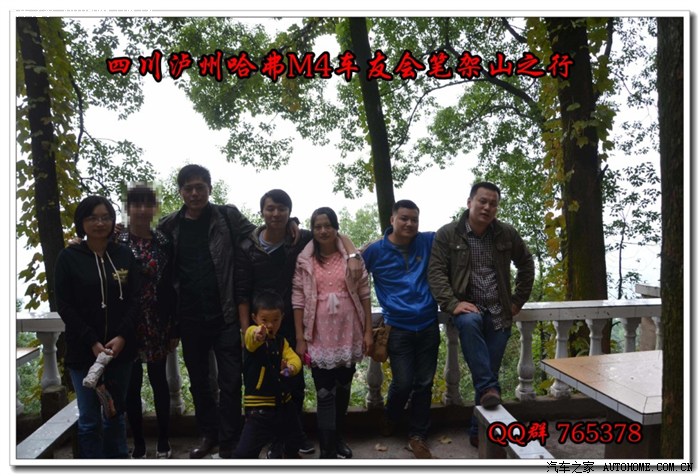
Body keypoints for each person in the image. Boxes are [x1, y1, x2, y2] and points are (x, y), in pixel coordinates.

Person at [235, 189, 363, 458]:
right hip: (261, 326)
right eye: (270, 208)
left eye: (282, 209)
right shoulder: (248, 246)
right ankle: (273, 440)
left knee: (293, 382)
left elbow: (334, 233)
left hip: (290, 323)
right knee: (262, 383)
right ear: (262, 211)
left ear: (290, 212)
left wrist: (352, 255)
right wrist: (247, 330)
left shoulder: (300, 239)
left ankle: (292, 438)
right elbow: (242, 291)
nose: (276, 213)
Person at [158, 164, 268, 459]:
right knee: (200, 383)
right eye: (189, 188)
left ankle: (230, 440)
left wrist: (293, 226)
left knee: (230, 382)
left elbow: (260, 237)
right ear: (180, 192)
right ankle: (208, 435)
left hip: (226, 315)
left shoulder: (227, 216)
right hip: (189, 318)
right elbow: (143, 250)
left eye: (200, 187)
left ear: (209, 188)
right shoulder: (170, 226)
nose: (195, 193)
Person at [427, 181, 534, 448]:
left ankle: (478, 430)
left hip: (499, 311)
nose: (487, 207)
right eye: (482, 201)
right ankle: (483, 424)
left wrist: (517, 301)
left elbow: (526, 263)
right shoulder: (448, 234)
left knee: (487, 373)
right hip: (468, 310)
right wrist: (452, 303)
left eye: (493, 203)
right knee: (486, 372)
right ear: (470, 202)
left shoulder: (506, 234)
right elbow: (436, 272)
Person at [55, 195, 140, 458]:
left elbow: (136, 300)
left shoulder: (124, 255)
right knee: (89, 420)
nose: (99, 223)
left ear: (113, 221)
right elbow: (64, 305)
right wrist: (92, 340)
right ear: (82, 222)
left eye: (105, 217)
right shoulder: (68, 258)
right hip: (83, 351)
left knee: (115, 415)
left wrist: (122, 336)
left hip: (119, 352)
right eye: (92, 218)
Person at [292, 207, 373, 459]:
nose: (323, 231)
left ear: (336, 228)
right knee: (324, 392)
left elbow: (365, 293)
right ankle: (326, 449)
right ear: (312, 230)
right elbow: (298, 299)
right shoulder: (305, 261)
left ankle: (338, 438)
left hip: (349, 332)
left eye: (328, 225)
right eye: (318, 226)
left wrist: (368, 331)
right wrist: (300, 338)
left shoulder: (352, 258)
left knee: (343, 387)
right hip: (318, 335)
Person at [362, 200, 439, 459]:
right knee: (403, 382)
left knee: (424, 383)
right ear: (392, 220)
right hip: (397, 327)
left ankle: (418, 435)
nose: (409, 224)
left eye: (414, 219)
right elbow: (352, 271)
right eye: (404, 218)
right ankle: (391, 416)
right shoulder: (375, 251)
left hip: (428, 324)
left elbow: (459, 234)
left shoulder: (427, 241)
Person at [120, 185, 178, 459]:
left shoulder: (164, 242)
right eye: (136, 204)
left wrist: (174, 325)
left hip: (157, 320)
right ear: (128, 208)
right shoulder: (116, 241)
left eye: (148, 204)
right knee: (131, 385)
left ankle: (164, 440)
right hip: (127, 323)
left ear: (155, 209)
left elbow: (173, 284)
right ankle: (139, 443)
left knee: (159, 382)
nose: (142, 210)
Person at [232, 291, 304, 459]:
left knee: (295, 440)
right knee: (244, 454)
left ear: (282, 317)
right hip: (259, 407)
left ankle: (286, 454)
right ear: (254, 317)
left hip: (283, 404)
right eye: (264, 320)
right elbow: (251, 337)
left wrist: (290, 368)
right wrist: (258, 334)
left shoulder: (281, 342)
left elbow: (294, 358)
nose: (270, 325)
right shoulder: (254, 336)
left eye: (275, 320)